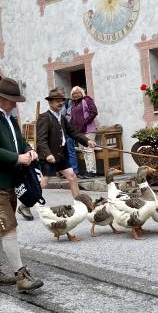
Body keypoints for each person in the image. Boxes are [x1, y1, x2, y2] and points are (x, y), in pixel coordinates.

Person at [0, 77, 44, 293]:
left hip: (6, 182)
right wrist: (17, 158)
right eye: (12, 100)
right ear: (0, 98)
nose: (15, 104)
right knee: (9, 227)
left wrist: (29, 149)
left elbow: (19, 142)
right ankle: (21, 276)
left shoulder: (8, 118)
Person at [17, 88, 96, 221]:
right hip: (48, 157)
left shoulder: (63, 118)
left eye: (61, 101)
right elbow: (41, 139)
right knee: (42, 183)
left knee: (72, 177)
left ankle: (79, 205)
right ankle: (25, 205)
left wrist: (87, 141)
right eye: (57, 101)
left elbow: (74, 132)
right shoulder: (44, 117)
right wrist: (47, 154)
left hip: (61, 156)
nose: (60, 103)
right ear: (50, 103)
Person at [70, 86, 98, 178]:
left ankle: (92, 171)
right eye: (74, 94)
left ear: (82, 93)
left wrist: (85, 122)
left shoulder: (87, 100)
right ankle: (88, 170)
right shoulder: (73, 104)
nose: (76, 95)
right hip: (78, 131)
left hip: (88, 130)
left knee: (89, 150)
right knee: (84, 151)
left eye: (78, 93)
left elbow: (94, 112)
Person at [55, 86, 79, 176]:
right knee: (63, 152)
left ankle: (74, 171)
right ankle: (66, 171)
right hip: (60, 132)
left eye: (61, 93)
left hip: (67, 131)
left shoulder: (69, 102)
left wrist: (61, 122)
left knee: (70, 151)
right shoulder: (56, 104)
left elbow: (69, 116)